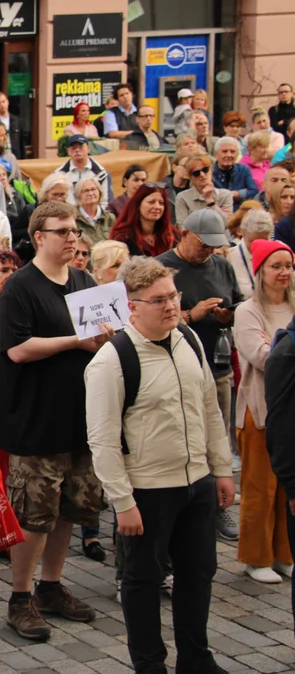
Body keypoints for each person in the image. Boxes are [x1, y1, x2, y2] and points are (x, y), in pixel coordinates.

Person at [85, 257, 234, 674]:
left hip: (197, 482)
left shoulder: (188, 338)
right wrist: (122, 501)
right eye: (158, 300)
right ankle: (150, 665)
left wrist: (220, 468)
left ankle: (196, 659)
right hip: (147, 491)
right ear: (132, 306)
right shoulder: (112, 361)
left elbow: (209, 407)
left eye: (174, 296)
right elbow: (101, 439)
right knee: (142, 582)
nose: (170, 306)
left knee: (198, 574)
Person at [0, 201, 109, 641]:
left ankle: (51, 586)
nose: (72, 237)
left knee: (68, 510)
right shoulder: (20, 286)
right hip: (34, 420)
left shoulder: (84, 281)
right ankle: (20, 597)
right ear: (39, 236)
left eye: (75, 230)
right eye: (62, 230)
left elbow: (102, 335)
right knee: (34, 514)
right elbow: (18, 349)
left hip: (80, 417)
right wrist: (76, 342)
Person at [158, 208, 244, 540]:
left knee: (217, 436)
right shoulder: (163, 267)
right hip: (175, 365)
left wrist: (227, 315)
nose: (208, 250)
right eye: (202, 243)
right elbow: (147, 316)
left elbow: (236, 302)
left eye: (213, 245)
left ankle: (218, 508)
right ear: (184, 234)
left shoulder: (222, 265)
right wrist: (190, 316)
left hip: (216, 363)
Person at [234, 240, 295, 583]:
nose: (284, 272)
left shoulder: (293, 305)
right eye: (276, 266)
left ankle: (285, 552)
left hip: (291, 410)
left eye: (288, 265)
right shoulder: (248, 310)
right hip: (259, 409)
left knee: (289, 486)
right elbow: (261, 356)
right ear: (261, 271)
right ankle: (256, 557)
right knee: (261, 487)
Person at [110, 183, 179, 257]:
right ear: (138, 205)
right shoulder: (123, 237)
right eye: (151, 202)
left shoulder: (173, 234)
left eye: (161, 203)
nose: (157, 207)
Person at [175, 155, 235, 228]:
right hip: (195, 238)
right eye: (196, 173)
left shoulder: (225, 194)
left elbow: (227, 224)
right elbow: (183, 227)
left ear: (211, 170)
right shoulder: (182, 197)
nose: (202, 175)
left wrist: (210, 201)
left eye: (205, 170)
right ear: (190, 177)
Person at [230, 209, 276, 298]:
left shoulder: (280, 254)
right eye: (253, 241)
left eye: (264, 241)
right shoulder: (229, 258)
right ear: (242, 234)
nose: (258, 246)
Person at [57, 134, 114, 202]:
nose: (77, 150)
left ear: (88, 149)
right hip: (68, 211)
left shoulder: (101, 173)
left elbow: (106, 202)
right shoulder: (60, 174)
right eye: (73, 148)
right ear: (68, 151)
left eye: (81, 147)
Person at [213, 136, 259, 201]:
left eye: (232, 152)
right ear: (216, 154)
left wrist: (238, 194)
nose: (229, 155)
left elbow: (254, 191)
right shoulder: (209, 171)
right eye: (224, 151)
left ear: (237, 154)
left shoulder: (243, 169)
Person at [74, 177, 116, 245]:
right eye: (86, 191)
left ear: (100, 192)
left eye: (93, 189)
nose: (90, 193)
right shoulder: (73, 218)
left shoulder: (110, 218)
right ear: (78, 195)